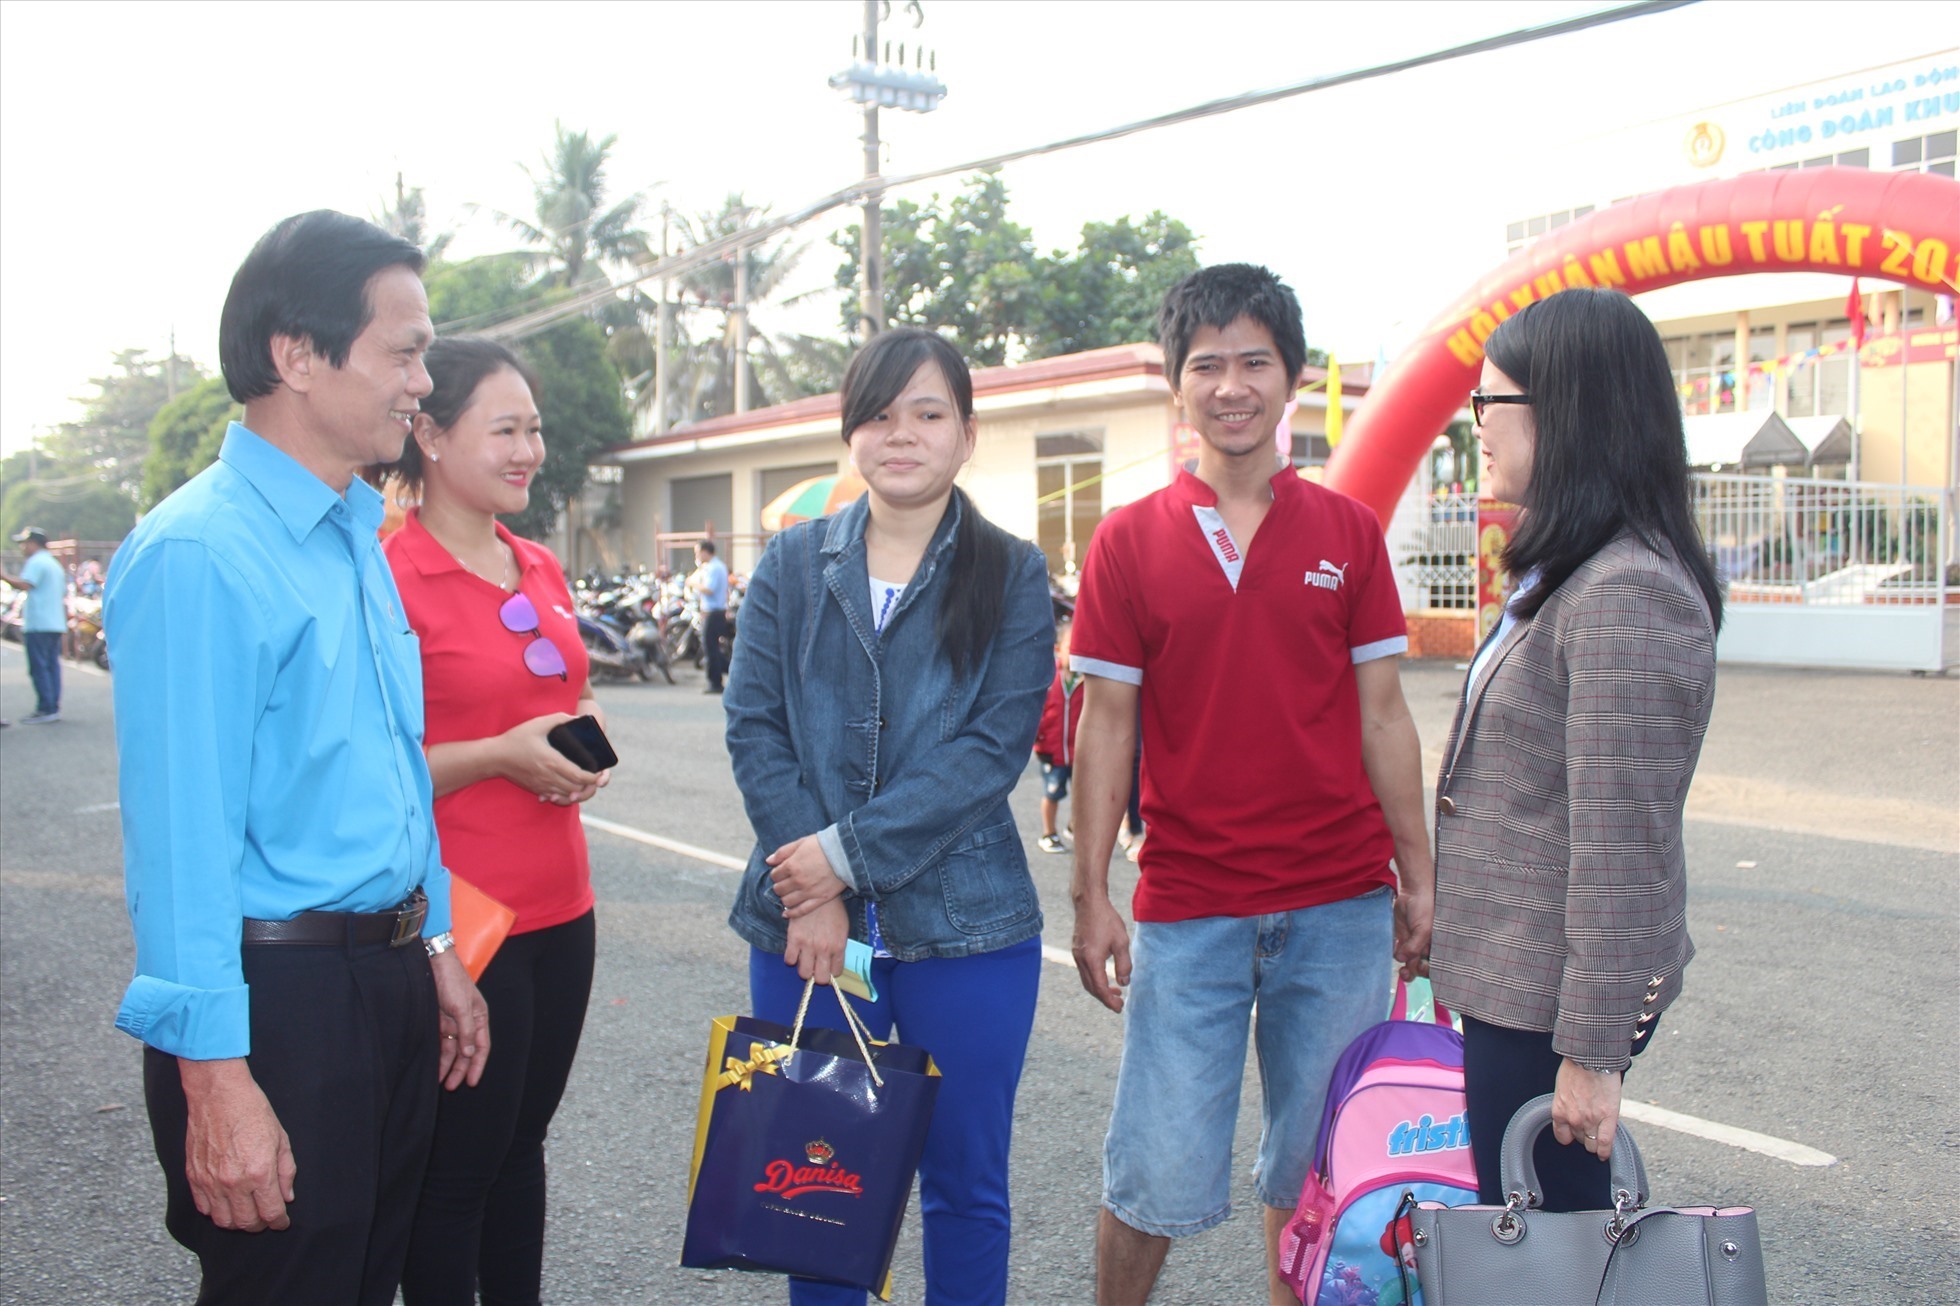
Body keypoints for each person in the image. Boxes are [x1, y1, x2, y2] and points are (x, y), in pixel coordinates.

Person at [103, 210, 489, 1306]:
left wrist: (437, 947)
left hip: (386, 977)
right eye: (403, 351)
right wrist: (216, 1077)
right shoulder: (199, 553)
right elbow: (180, 844)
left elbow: (387, 779)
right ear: (297, 355)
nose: (423, 380)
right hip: (280, 1007)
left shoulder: (351, 534)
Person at [1067, 264, 1434, 1306]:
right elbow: (1107, 725)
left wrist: (1418, 877)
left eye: (1254, 363)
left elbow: (1382, 716)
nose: (1232, 385)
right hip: (1190, 907)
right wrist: (1090, 891)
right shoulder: (1129, 539)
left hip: (1340, 904)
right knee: (1155, 1163)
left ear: (1292, 377)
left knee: (1318, 1169)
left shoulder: (1346, 532)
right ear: (1175, 387)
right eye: (1207, 365)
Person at [724, 326, 1055, 1306]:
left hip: (971, 934)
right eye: (877, 413)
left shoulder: (1013, 571)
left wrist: (837, 860)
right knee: (817, 1187)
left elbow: (990, 753)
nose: (899, 434)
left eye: (926, 413)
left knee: (965, 1189)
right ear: (849, 430)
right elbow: (754, 729)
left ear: (964, 432)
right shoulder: (788, 565)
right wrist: (810, 889)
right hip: (800, 929)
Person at [1426, 286, 1722, 1212]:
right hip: (1520, 983)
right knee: (1540, 1243)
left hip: (1554, 1008)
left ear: (1569, 411)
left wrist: (1591, 1059)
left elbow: (1620, 848)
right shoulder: (1575, 570)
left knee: (1552, 1250)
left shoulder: (1627, 592)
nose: (1475, 424)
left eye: (1491, 402)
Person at [373, 337, 606, 1305]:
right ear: (427, 433)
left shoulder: (538, 561)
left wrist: (572, 750)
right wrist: (501, 754)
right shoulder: (387, 572)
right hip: (462, 920)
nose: (528, 449)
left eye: (534, 428)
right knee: (457, 1172)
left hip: (564, 906)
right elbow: (371, 773)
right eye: (504, 428)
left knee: (524, 1149)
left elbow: (558, 698)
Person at [3, 527, 66, 722]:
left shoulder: (36, 562)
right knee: (51, 666)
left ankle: (45, 708)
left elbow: (25, 584)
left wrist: (3, 575)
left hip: (39, 623)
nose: (22, 547)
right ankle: (52, 706)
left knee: (39, 667)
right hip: (55, 622)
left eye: (24, 543)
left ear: (33, 543)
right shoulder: (54, 564)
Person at [1033, 623, 1084, 854]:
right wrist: (1038, 737)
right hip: (1052, 750)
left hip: (1080, 752)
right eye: (1070, 648)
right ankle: (1048, 832)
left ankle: (1075, 826)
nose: (1074, 654)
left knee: (1082, 794)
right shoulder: (1048, 678)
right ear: (1058, 649)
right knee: (1052, 793)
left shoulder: (1086, 681)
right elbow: (1037, 711)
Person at [690, 538, 730, 693]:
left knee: (710, 648)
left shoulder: (714, 568)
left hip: (714, 613)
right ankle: (729, 673)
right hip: (713, 612)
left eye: (697, 552)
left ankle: (715, 682)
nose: (697, 556)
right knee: (711, 648)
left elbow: (709, 589)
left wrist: (692, 583)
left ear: (705, 551)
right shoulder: (711, 567)